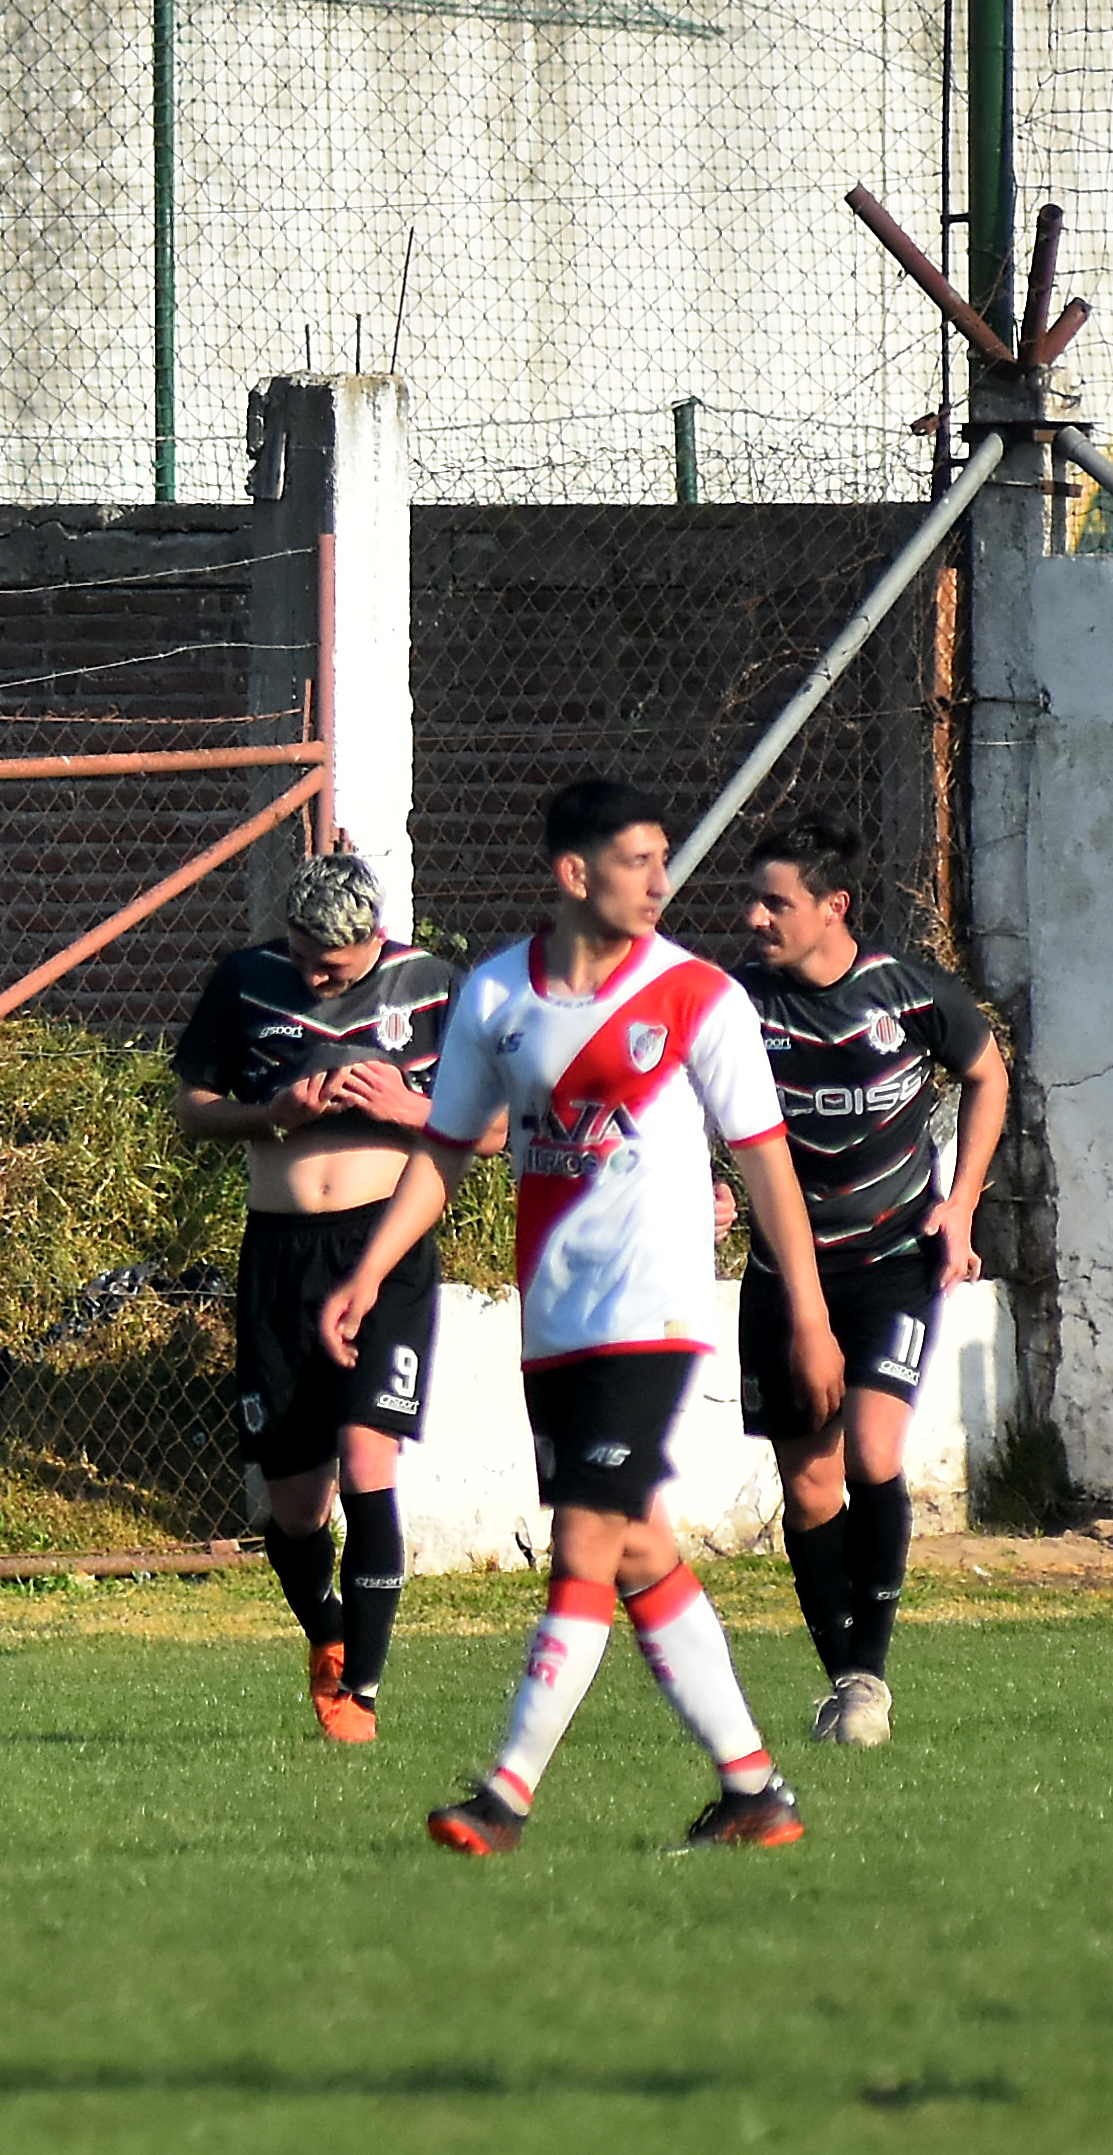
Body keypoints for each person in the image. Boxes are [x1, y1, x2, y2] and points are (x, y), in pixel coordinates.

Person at [318, 780, 846, 1856]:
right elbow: (447, 1151)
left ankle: (505, 1795)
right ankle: (754, 1791)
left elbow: (765, 1163)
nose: (663, 883)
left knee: (586, 1540)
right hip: (553, 1325)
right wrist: (369, 1272)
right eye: (640, 862)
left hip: (652, 1318)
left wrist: (809, 1308)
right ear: (573, 876)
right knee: (642, 1545)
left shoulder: (701, 999)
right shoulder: (498, 998)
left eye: (665, 860)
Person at [171, 852, 461, 1743]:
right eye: (298, 957)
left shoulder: (432, 986)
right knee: (295, 1509)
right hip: (278, 1256)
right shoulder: (247, 981)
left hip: (385, 1246)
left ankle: (360, 1701)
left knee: (367, 1462)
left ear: (371, 939)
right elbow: (191, 1109)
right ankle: (328, 1644)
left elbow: (491, 1127)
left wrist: (409, 1107)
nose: (308, 976)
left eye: (326, 967)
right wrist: (275, 1111)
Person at [732, 816, 1008, 1749]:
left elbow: (986, 1074)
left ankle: (867, 1681)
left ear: (832, 908)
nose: (754, 916)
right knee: (809, 1491)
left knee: (873, 1454)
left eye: (775, 901)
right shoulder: (738, 1007)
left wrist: (960, 1200)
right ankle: (844, 1679)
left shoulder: (906, 995)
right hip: (783, 1273)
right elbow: (682, 1095)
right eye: (754, 898)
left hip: (892, 1260)